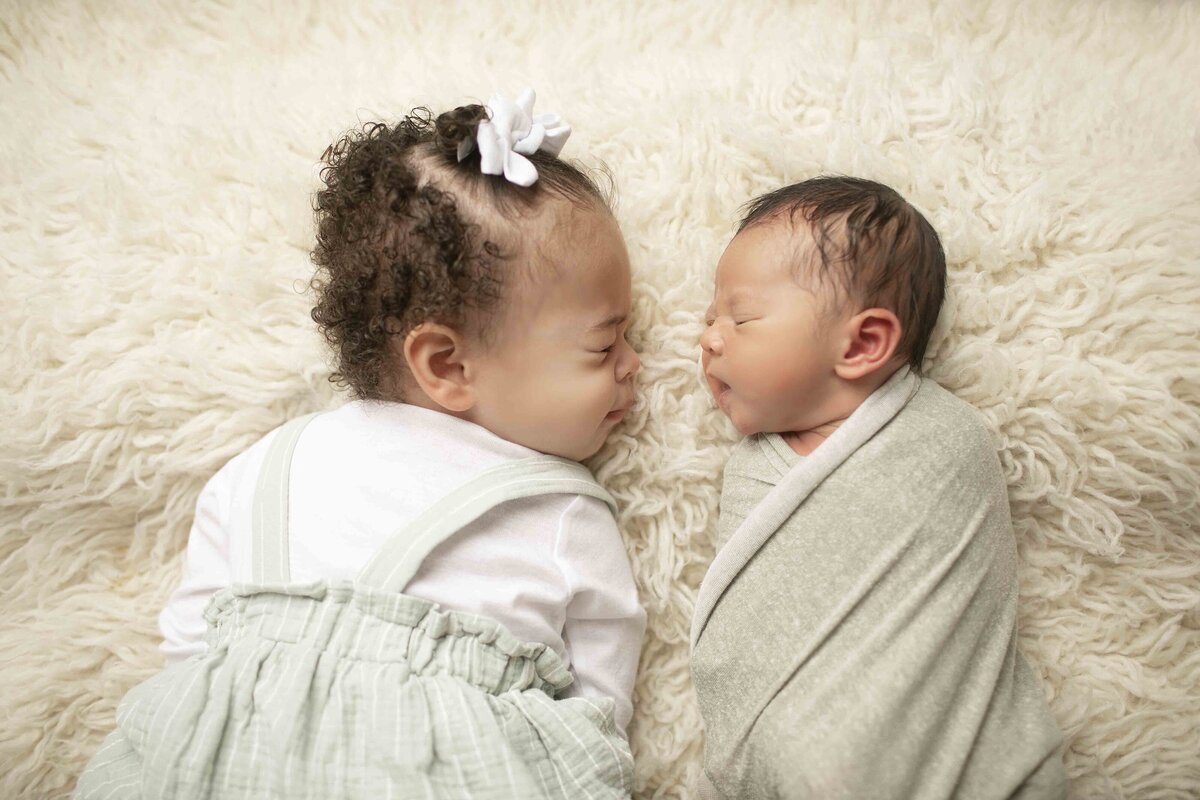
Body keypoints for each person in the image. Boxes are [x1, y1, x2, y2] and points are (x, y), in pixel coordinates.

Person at [76, 89, 644, 800]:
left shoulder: (261, 468)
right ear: (446, 366)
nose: (635, 364)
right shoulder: (561, 511)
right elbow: (596, 711)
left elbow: (193, 656)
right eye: (603, 344)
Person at [690, 176, 1066, 799]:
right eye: (710, 316)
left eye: (743, 317)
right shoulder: (753, 469)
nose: (708, 337)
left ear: (864, 343)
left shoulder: (942, 443)